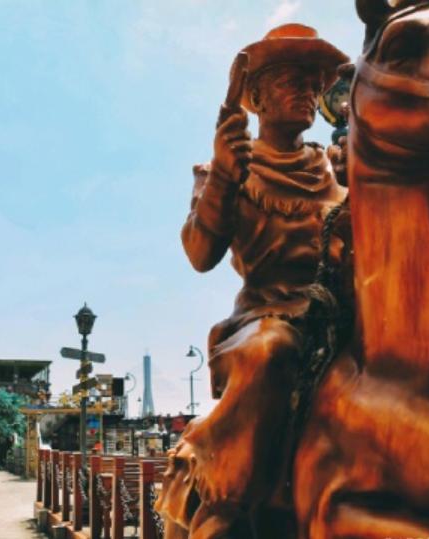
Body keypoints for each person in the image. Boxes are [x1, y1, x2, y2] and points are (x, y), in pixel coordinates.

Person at [156, 23, 352, 538]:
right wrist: (224, 175)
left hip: (342, 316)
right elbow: (200, 255)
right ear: (258, 98)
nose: (307, 91)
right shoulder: (224, 169)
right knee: (271, 351)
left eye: (313, 82)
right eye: (291, 80)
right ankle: (226, 499)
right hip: (267, 317)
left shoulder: (336, 167)